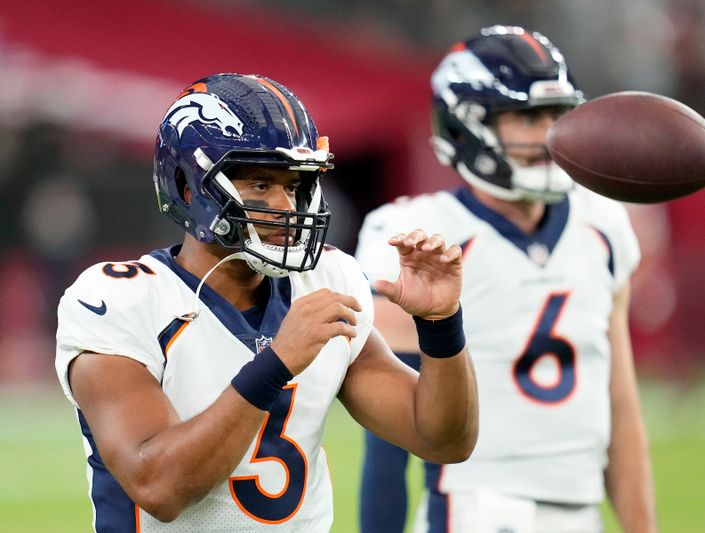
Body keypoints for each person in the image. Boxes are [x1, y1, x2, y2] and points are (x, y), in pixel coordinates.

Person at [54, 73, 478, 532]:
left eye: (294, 186)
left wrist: (441, 326)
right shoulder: (120, 298)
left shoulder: (324, 281)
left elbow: (441, 439)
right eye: (260, 185)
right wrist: (275, 363)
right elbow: (159, 487)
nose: (288, 207)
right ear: (189, 186)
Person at [357, 26, 657, 533]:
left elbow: (621, 409)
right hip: (476, 508)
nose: (547, 134)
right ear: (466, 124)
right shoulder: (420, 235)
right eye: (525, 116)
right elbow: (389, 438)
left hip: (581, 510)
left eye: (555, 115)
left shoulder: (602, 225)